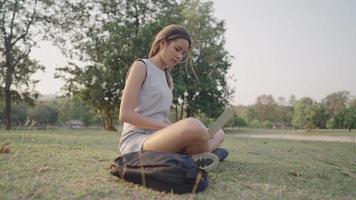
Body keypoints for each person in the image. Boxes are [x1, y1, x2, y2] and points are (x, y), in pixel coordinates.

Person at [118, 24, 228, 171]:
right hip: (138, 140)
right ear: (163, 43)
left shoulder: (167, 78)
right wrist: (168, 127)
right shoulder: (141, 66)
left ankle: (193, 155)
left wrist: (172, 128)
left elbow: (160, 117)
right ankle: (199, 154)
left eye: (183, 53)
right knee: (193, 126)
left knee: (219, 133)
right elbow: (125, 114)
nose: (179, 56)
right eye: (177, 49)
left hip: (160, 137)